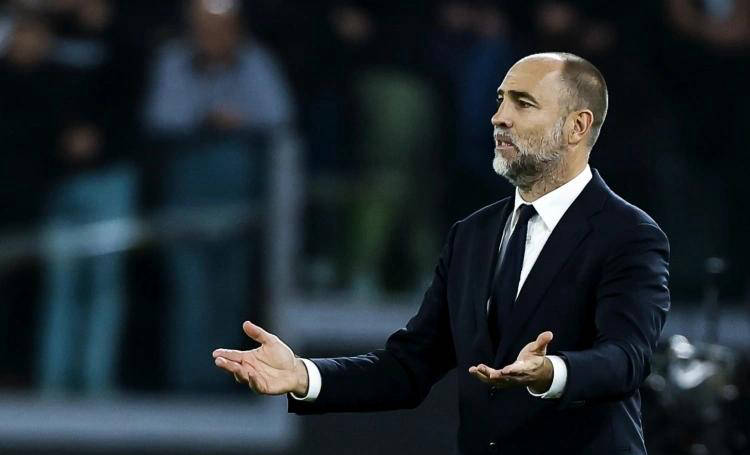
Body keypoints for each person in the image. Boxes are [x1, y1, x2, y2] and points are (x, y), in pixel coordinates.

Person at [213, 52, 670, 454]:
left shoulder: (628, 235)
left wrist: (554, 371)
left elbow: (627, 358)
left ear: (577, 126)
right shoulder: (472, 235)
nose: (499, 118)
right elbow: (410, 365)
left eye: (523, 103)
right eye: (500, 100)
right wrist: (304, 375)